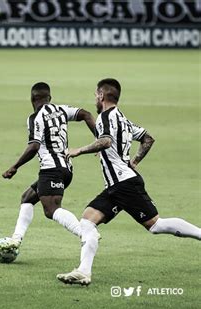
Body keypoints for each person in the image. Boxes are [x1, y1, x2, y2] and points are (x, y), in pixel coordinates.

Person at [57, 78, 201, 286]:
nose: (95, 99)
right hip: (118, 185)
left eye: (95, 95)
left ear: (101, 95)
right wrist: (133, 161)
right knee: (87, 221)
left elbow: (105, 141)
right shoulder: (123, 119)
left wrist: (79, 150)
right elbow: (148, 138)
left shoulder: (104, 117)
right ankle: (83, 271)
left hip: (124, 185)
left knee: (156, 225)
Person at [1, 82, 95, 253]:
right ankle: (16, 239)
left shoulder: (35, 117)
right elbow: (86, 114)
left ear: (32, 99)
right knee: (27, 198)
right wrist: (98, 139)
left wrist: (14, 167)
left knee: (51, 210)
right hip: (66, 169)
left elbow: (34, 146)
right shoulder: (61, 110)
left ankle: (86, 233)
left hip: (51, 170)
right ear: (49, 98)